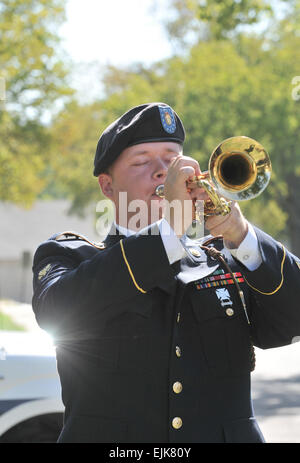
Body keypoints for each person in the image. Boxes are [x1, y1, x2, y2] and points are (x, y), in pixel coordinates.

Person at [32, 102, 300, 443]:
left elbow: (292, 320)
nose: (162, 172)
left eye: (172, 160)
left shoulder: (223, 259)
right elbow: (59, 312)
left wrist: (243, 237)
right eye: (142, 161)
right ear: (107, 186)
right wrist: (170, 228)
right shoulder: (69, 256)